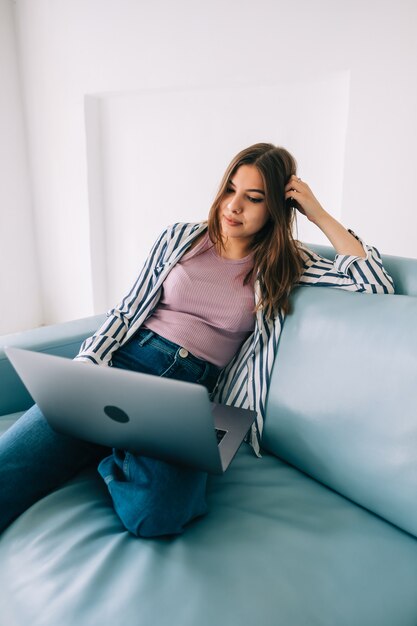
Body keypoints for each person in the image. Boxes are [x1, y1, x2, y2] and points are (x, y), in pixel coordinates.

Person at [0, 143, 395, 538]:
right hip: (121, 367)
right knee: (7, 469)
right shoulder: (180, 238)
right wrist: (86, 369)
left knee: (158, 514)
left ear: (276, 207)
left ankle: (111, 447)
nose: (233, 206)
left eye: (253, 198)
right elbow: (124, 312)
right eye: (230, 190)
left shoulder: (286, 262)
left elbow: (373, 282)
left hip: (185, 398)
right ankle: (114, 439)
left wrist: (318, 213)